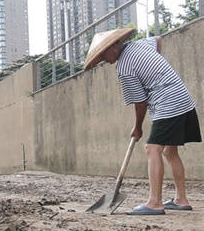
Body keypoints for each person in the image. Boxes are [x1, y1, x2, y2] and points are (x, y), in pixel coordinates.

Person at [84, 28, 201, 215]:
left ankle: (155, 202)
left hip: (168, 101)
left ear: (114, 47)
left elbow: (140, 102)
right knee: (170, 151)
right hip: (182, 98)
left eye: (103, 55)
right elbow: (158, 39)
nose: (103, 60)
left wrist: (137, 127)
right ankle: (181, 200)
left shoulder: (124, 68)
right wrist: (155, 71)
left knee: (152, 149)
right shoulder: (141, 44)